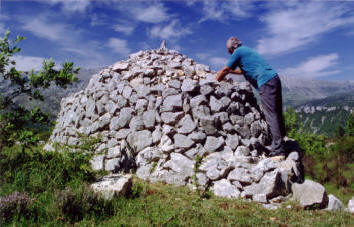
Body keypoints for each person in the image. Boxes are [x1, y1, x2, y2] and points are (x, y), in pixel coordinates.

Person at [216, 37, 286, 157]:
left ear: (232, 48)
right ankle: (282, 142)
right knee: (277, 112)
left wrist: (217, 79)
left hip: (265, 82)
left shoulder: (238, 52)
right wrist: (231, 73)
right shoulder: (246, 51)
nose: (230, 54)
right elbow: (243, 71)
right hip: (273, 78)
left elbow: (226, 68)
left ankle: (278, 149)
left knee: (271, 115)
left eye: (229, 52)